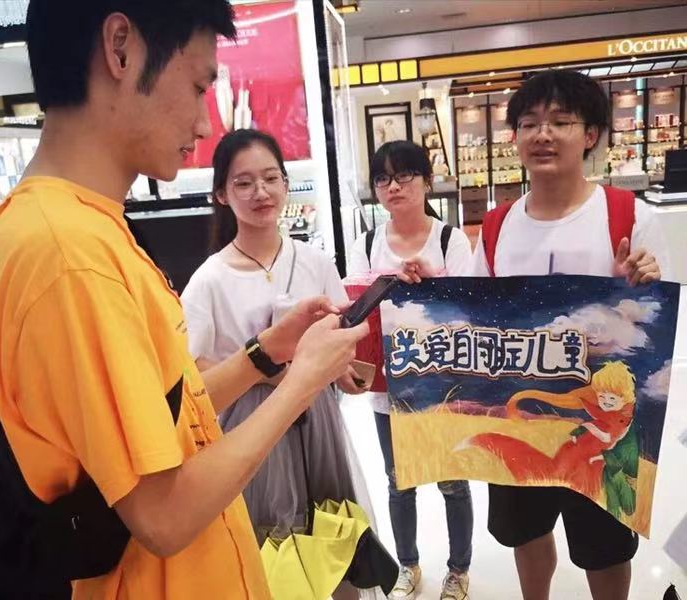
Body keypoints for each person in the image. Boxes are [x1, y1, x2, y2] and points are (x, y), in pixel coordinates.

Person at [0, 2, 368, 599]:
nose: (205, 124)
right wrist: (301, 382)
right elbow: (163, 515)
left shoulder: (79, 228)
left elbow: (167, 418)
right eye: (197, 86)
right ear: (121, 48)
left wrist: (264, 354)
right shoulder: (70, 251)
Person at [466, 70, 670, 600]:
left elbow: (659, 322)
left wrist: (643, 282)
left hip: (603, 421)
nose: (543, 135)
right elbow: (472, 315)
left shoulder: (628, 216)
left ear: (591, 134)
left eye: (561, 122)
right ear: (515, 137)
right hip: (523, 402)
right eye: (530, 123)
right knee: (525, 530)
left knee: (605, 543)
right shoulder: (497, 226)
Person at [182, 128, 370, 599]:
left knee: (328, 530)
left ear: (286, 183)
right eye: (244, 183)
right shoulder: (208, 280)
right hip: (249, 423)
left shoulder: (315, 262)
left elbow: (339, 341)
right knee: (266, 548)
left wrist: (346, 372)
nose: (261, 192)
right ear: (221, 195)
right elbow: (193, 377)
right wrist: (266, 367)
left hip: (316, 418)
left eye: (270, 178)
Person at [348, 140, 475, 600]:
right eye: (383, 178)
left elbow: (470, 311)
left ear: (426, 181)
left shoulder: (449, 240)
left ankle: (458, 569)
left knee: (453, 481)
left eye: (404, 175)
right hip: (389, 387)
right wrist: (388, 284)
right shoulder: (366, 244)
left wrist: (431, 282)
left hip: (443, 386)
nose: (393, 187)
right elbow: (356, 311)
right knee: (399, 481)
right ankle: (408, 564)